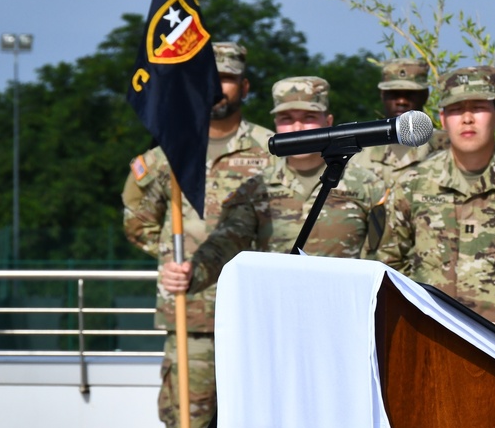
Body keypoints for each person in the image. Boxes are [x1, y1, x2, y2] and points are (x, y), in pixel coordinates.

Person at [122, 41, 274, 428]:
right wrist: (169, 259)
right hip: (193, 322)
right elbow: (137, 218)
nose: (215, 87)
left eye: (225, 77)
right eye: (207, 76)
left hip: (257, 319)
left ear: (243, 86)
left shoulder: (271, 149)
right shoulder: (170, 150)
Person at [375, 65, 495, 322]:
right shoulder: (413, 185)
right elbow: (389, 266)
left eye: (478, 107)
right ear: (443, 119)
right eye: (456, 110)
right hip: (433, 338)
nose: (467, 118)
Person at [159, 76, 385, 295]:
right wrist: (192, 273)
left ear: (328, 122)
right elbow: (226, 243)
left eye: (309, 117)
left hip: (346, 309)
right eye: (286, 118)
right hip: (278, 311)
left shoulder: (367, 185)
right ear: (275, 125)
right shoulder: (256, 188)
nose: (298, 127)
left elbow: (385, 254)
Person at [355, 57, 449, 186]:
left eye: (410, 94)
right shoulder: (358, 150)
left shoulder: (446, 147)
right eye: (394, 94)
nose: (402, 101)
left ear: (425, 95)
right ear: (382, 95)